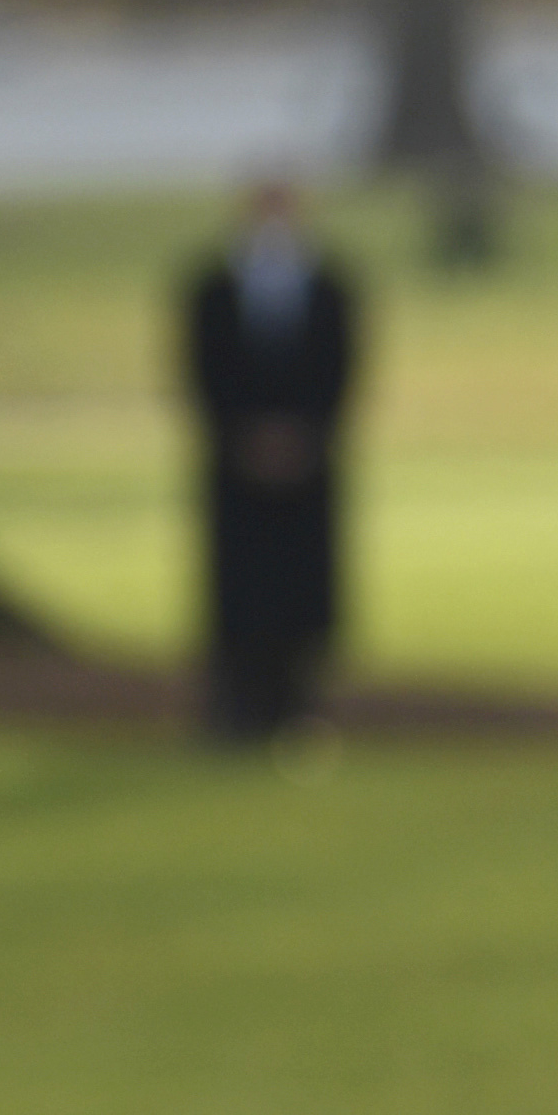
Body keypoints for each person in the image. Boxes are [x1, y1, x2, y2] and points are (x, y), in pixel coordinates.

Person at [179, 179, 360, 744]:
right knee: (238, 584)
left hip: (310, 461)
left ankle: (299, 705)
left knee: (303, 582)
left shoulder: (330, 285)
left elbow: (343, 367)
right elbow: (200, 370)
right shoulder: (214, 287)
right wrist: (245, 436)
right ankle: (235, 706)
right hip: (235, 464)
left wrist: (304, 434)